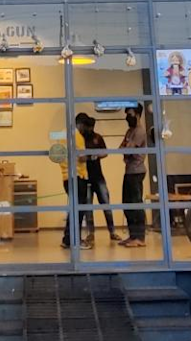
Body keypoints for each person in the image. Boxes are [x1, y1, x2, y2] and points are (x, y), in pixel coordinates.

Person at [77, 112, 118, 242]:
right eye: (89, 126)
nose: (90, 129)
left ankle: (112, 231)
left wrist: (95, 156)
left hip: (98, 176)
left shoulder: (98, 138)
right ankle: (91, 233)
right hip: (85, 176)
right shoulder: (80, 139)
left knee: (106, 203)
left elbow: (105, 153)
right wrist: (88, 157)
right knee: (88, 206)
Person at [118, 104, 147, 246]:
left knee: (136, 203)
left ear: (136, 114)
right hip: (128, 170)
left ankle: (140, 238)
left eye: (129, 115)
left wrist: (126, 149)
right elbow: (120, 149)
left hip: (137, 171)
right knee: (127, 203)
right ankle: (132, 235)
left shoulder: (140, 132)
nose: (127, 118)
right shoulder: (129, 131)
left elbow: (127, 150)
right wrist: (125, 149)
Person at [55, 134, 90, 248]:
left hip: (66, 177)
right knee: (78, 210)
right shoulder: (77, 136)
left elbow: (57, 156)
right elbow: (82, 157)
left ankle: (68, 239)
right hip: (77, 176)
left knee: (73, 209)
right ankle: (76, 240)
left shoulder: (61, 136)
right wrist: (91, 155)